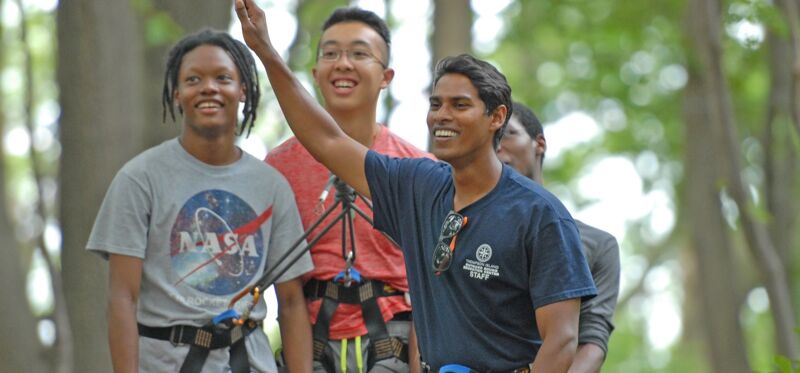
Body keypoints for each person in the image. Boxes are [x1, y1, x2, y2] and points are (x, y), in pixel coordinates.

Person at [234, 0, 596, 371]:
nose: (442, 115)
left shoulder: (540, 214)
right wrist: (264, 50)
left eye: (459, 105)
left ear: (496, 117)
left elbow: (563, 339)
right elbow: (327, 142)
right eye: (436, 104)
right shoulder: (418, 186)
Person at [86, 29, 314, 373]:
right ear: (177, 94)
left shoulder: (271, 186)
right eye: (194, 79)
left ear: (244, 90)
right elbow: (122, 298)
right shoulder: (139, 179)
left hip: (248, 362)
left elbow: (293, 302)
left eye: (223, 77)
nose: (209, 87)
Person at [264, 7, 430, 373]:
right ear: (315, 74)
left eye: (359, 53)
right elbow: (286, 291)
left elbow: (429, 287)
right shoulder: (279, 167)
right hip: (310, 339)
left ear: (386, 76)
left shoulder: (418, 166)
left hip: (396, 336)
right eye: (330, 53)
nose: (342, 64)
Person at [497, 102, 621, 373]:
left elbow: (592, 341)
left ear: (539, 144)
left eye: (508, 133)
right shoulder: (460, 228)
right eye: (491, 138)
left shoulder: (597, 245)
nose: (497, 146)